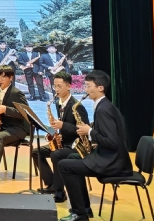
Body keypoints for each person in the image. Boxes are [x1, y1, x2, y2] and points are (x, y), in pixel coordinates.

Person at [58, 71, 132, 221]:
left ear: (100, 88)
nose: (85, 89)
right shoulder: (104, 106)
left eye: (88, 86)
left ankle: (80, 214)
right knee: (72, 157)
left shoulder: (104, 109)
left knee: (64, 165)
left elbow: (112, 141)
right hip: (111, 157)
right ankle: (85, 208)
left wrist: (89, 131)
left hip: (112, 162)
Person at [33, 71, 88, 203]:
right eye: (54, 86)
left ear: (68, 86)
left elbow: (83, 131)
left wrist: (63, 125)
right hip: (64, 142)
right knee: (36, 152)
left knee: (56, 154)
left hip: (76, 146)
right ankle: (51, 183)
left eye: (59, 86)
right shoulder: (58, 103)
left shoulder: (77, 106)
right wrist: (52, 131)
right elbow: (60, 126)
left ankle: (60, 191)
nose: (56, 89)